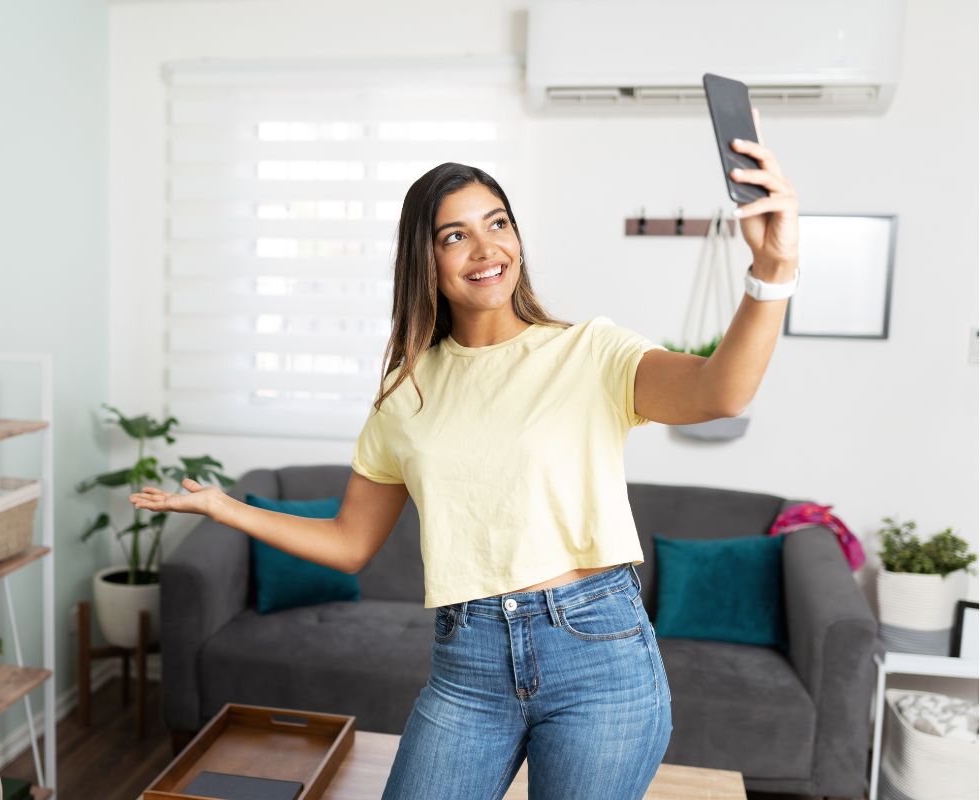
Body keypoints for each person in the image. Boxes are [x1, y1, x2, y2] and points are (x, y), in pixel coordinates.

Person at [130, 111, 800, 799]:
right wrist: (223, 507)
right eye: (456, 234)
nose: (486, 248)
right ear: (426, 259)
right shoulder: (405, 394)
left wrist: (771, 272)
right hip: (468, 662)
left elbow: (722, 390)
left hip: (597, 654)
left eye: (498, 222)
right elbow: (349, 541)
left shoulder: (588, 352)